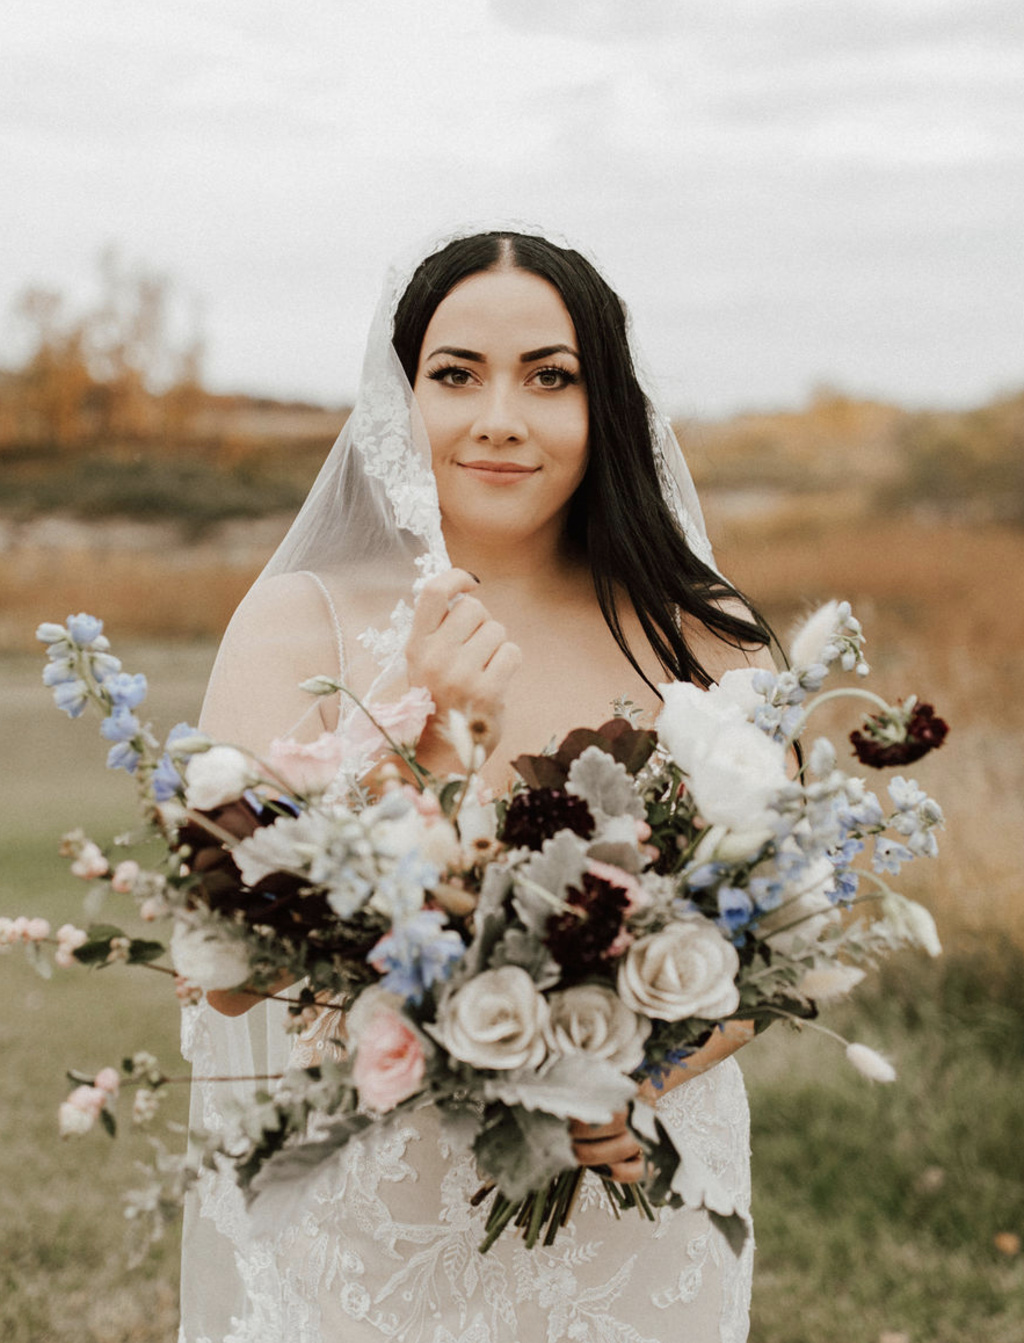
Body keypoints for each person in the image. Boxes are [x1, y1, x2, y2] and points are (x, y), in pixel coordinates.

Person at [179, 228, 776, 1343]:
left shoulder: (703, 637)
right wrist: (429, 737)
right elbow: (225, 975)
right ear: (400, 397)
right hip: (376, 1231)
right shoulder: (300, 624)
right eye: (456, 375)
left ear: (608, 403)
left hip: (632, 1216)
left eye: (550, 377)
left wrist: (627, 1080)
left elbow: (770, 939)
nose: (500, 416)